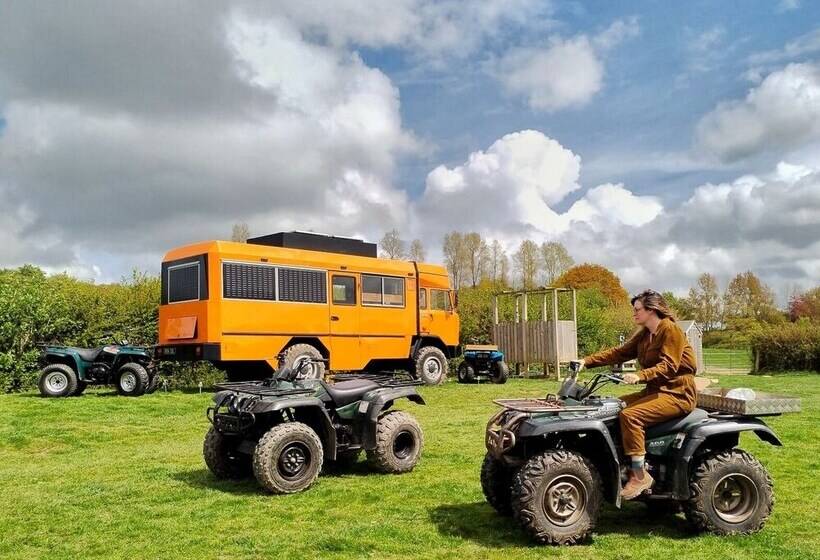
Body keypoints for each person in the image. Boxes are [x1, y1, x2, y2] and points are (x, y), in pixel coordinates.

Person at [577, 290, 698, 500]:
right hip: (656, 391)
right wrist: (586, 361)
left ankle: (640, 475)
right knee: (613, 407)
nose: (634, 314)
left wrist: (640, 375)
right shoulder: (645, 334)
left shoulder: (671, 330)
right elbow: (619, 353)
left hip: (678, 393)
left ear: (651, 310)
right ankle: (618, 462)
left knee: (631, 416)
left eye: (637, 310)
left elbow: (669, 366)